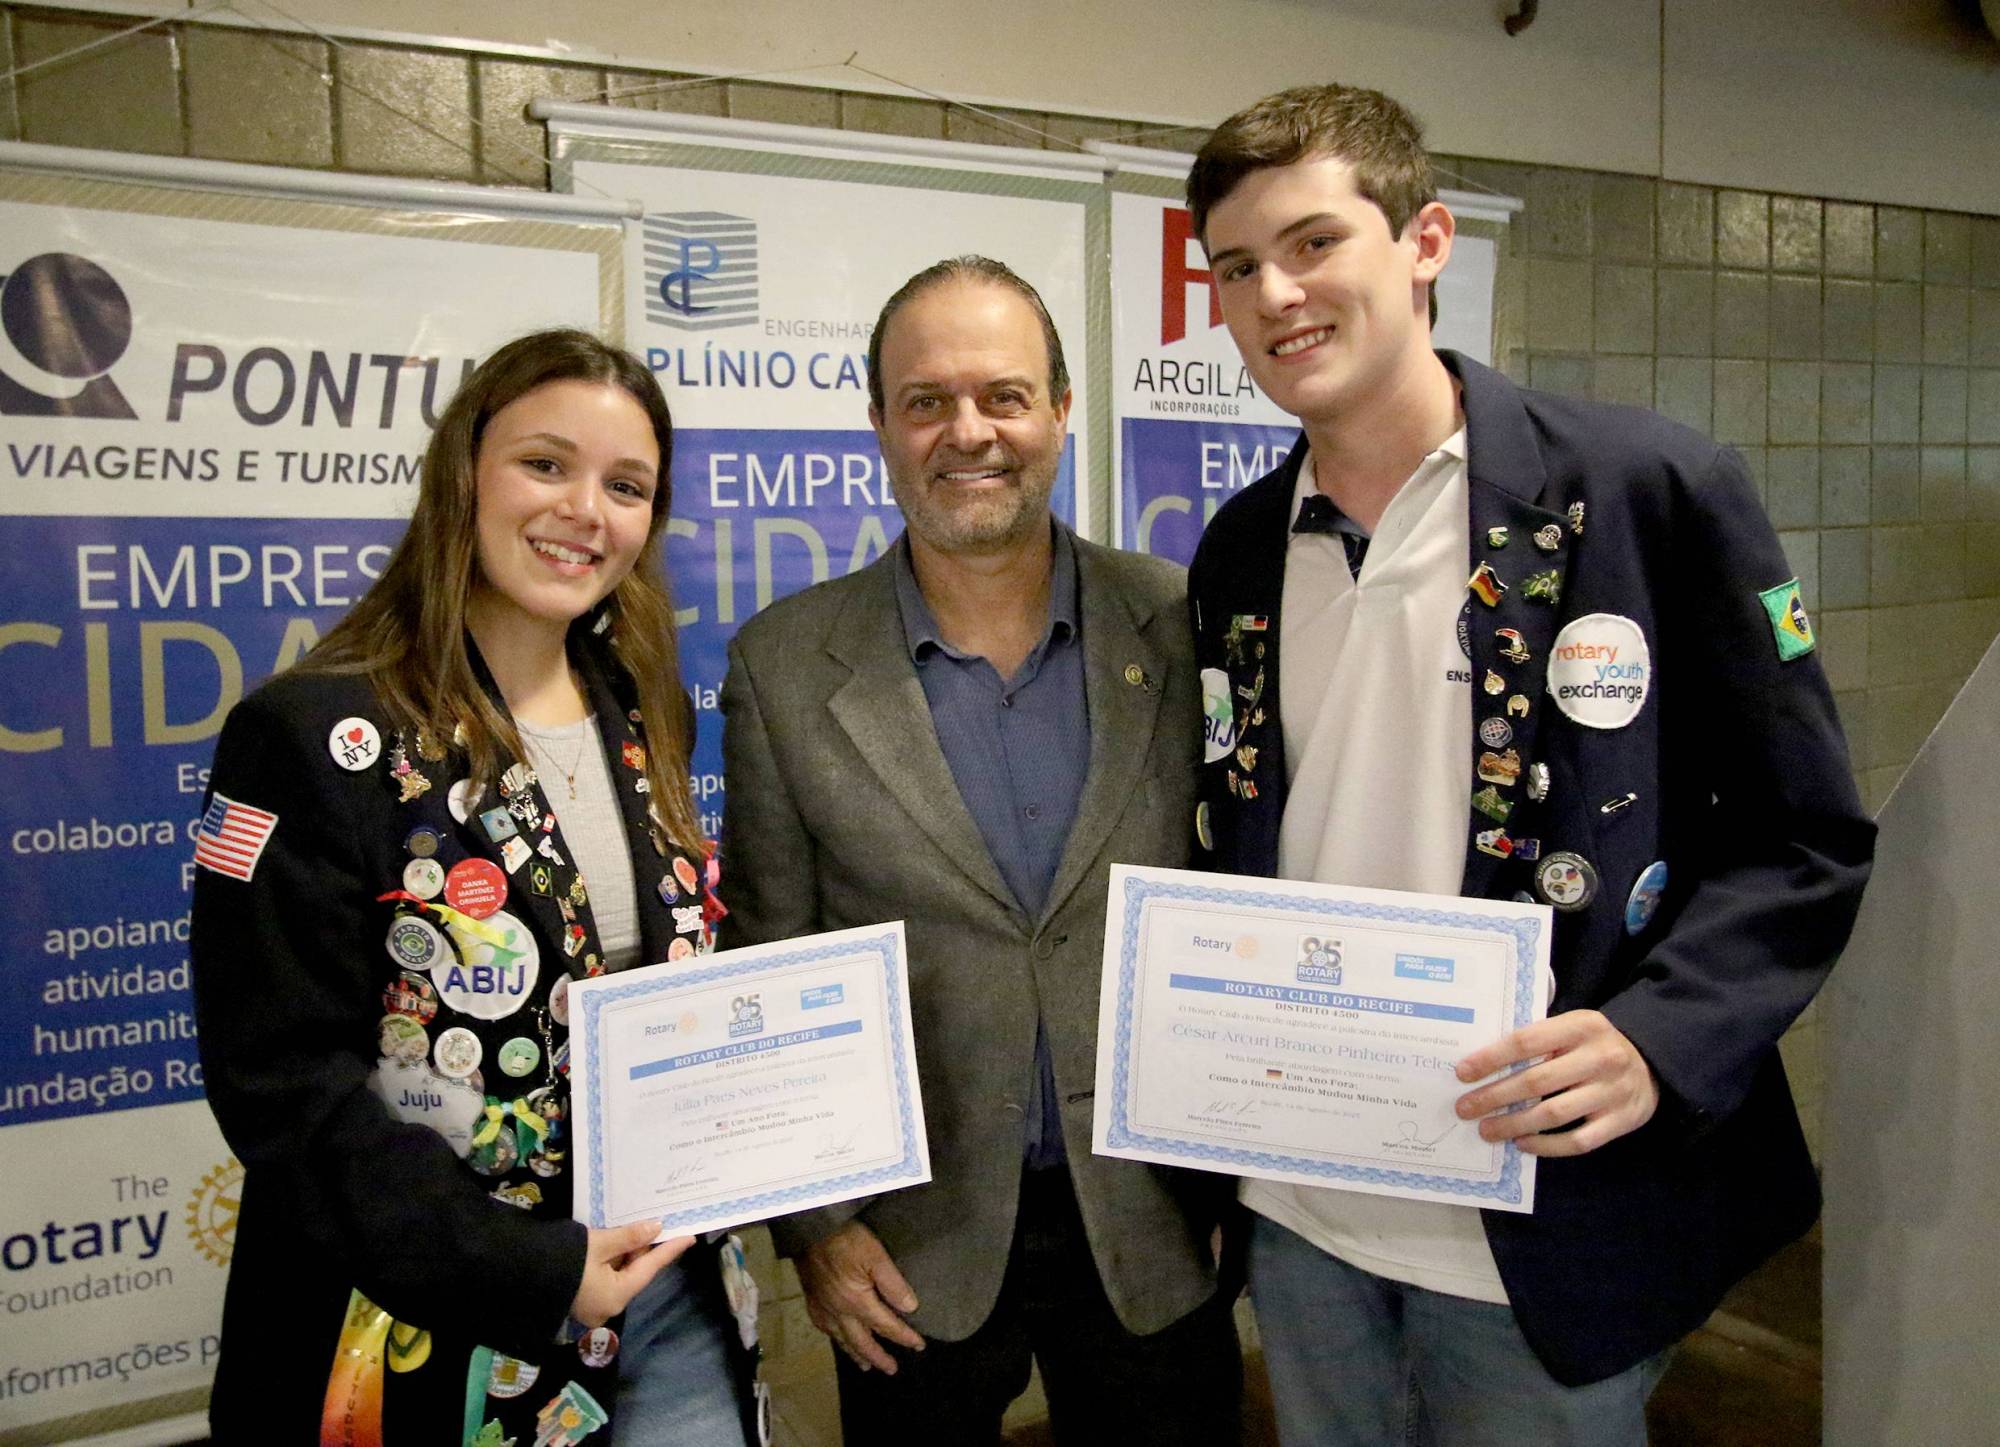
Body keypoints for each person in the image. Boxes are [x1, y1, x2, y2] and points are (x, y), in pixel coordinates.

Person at [1183, 85, 1875, 1444]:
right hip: (1305, 1208)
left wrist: (1658, 1036)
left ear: (1426, 239)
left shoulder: (1647, 490)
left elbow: (1807, 836)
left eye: (1315, 242)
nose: (1276, 293)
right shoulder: (1239, 546)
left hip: (1547, 1218)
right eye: (1237, 267)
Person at [190, 329, 762, 1446]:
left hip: (670, 1300)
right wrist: (536, 1268)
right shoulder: (314, 734)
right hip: (430, 1328)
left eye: (625, 484)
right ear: (463, 475)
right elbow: (284, 1091)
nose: (584, 509)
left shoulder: (645, 715)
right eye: (545, 464)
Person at [718, 257, 1241, 1444]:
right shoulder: (783, 666)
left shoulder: (1180, 622)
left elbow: (1234, 894)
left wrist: (1241, 1178)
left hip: (1152, 1219)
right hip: (911, 1247)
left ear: (1059, 410)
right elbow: (771, 957)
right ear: (879, 429)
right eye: (925, 402)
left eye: (1003, 396)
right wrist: (817, 1227)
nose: (969, 433)